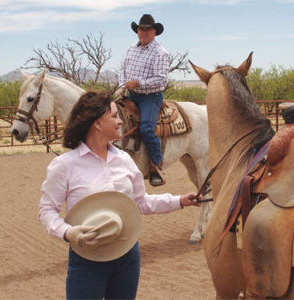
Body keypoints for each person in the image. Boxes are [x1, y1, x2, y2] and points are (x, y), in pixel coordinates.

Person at [38, 91, 200, 299]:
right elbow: (46, 210)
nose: (119, 121)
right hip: (87, 260)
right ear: (97, 124)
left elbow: (141, 203)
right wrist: (68, 232)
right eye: (114, 116)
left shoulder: (124, 159)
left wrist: (180, 201)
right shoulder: (64, 166)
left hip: (128, 255)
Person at [119, 13, 170, 186]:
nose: (144, 32)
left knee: (147, 128)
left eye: (148, 30)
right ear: (137, 31)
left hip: (151, 97)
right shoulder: (131, 48)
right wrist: (122, 84)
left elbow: (162, 80)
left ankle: (155, 166)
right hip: (131, 94)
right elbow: (122, 69)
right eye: (141, 29)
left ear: (154, 31)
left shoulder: (160, 53)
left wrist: (139, 83)